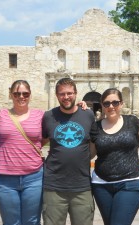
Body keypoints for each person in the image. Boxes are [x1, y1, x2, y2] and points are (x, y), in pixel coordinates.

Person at [89, 88, 139, 225]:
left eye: (115, 103)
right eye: (107, 103)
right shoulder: (96, 127)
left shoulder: (133, 121)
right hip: (101, 185)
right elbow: (91, 154)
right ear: (102, 105)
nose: (111, 106)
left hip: (131, 182)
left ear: (121, 104)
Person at [41, 77, 95, 225]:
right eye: (62, 94)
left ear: (76, 93)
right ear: (57, 95)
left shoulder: (88, 115)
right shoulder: (48, 116)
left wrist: (83, 158)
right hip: (54, 187)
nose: (66, 97)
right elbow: (40, 141)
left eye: (70, 93)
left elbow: (95, 143)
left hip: (82, 186)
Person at [0, 80, 44, 225]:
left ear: (30, 95)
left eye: (25, 93)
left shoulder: (40, 115)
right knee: (10, 222)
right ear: (11, 95)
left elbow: (46, 136)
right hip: (4, 179)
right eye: (17, 93)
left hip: (33, 178)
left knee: (32, 221)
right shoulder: (0, 115)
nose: (21, 96)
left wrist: (79, 106)